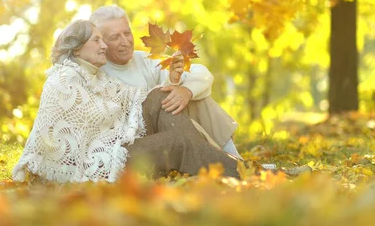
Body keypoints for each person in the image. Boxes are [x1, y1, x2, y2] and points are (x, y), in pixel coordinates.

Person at [12, 19, 240, 183]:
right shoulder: (63, 79)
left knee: (162, 95)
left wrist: (173, 83)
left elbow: (132, 98)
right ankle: (241, 170)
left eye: (103, 40)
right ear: (78, 48)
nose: (104, 46)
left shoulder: (94, 75)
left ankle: (219, 162)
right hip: (105, 162)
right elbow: (90, 126)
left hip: (118, 148)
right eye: (97, 40)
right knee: (176, 141)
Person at [89, 5, 242, 159]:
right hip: (141, 145)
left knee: (194, 97)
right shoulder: (96, 72)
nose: (125, 42)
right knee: (171, 99)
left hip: (171, 128)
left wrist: (186, 90)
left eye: (127, 33)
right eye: (115, 37)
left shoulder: (143, 60)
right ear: (101, 42)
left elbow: (201, 73)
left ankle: (235, 158)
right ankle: (226, 161)